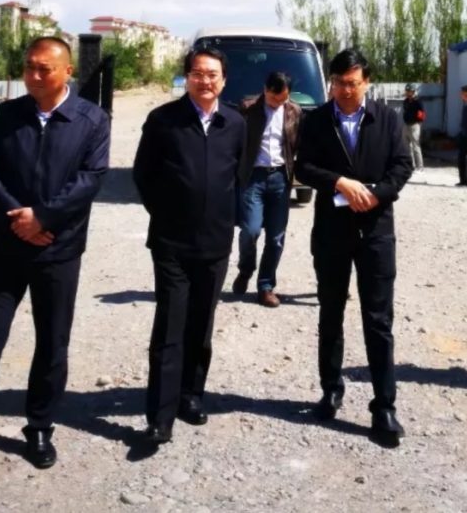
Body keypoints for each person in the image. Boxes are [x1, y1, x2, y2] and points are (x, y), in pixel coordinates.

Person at [0, 37, 110, 474]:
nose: (34, 76)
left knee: (52, 343)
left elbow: (91, 178)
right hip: (6, 247)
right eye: (29, 67)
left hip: (59, 250)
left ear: (67, 72)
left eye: (44, 69)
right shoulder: (8, 114)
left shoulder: (91, 119)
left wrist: (45, 218)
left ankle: (39, 428)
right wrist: (17, 217)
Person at [294, 48, 412, 447]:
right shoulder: (317, 120)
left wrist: (377, 194)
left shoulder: (387, 119)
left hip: (376, 232)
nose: (346, 90)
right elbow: (303, 166)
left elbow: (402, 166)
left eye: (353, 83)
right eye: (339, 82)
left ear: (367, 83)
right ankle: (331, 388)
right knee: (330, 311)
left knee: (378, 320)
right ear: (332, 82)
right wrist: (339, 182)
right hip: (331, 231)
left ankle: (384, 406)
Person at [133, 47, 245, 445]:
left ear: (224, 80)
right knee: (170, 326)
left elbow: (241, 175)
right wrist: (167, 214)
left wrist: (228, 219)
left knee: (201, 325)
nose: (205, 81)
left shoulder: (235, 123)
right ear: (187, 77)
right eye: (198, 74)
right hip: (171, 243)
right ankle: (159, 416)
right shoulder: (163, 120)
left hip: (215, 243)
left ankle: (191, 395)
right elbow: (143, 175)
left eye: (213, 74)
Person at [231, 71, 302, 307]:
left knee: (276, 238)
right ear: (265, 90)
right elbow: (235, 141)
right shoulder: (248, 108)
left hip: (280, 178)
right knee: (250, 231)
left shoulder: (294, 111)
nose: (278, 104)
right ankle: (245, 269)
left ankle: (265, 286)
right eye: (274, 98)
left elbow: (298, 144)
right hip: (254, 178)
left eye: (283, 99)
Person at [401, 83, 425, 171]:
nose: (407, 93)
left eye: (409, 91)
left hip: (414, 125)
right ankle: (411, 165)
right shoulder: (406, 101)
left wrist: (419, 123)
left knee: (416, 146)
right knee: (407, 147)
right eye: (407, 91)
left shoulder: (418, 101)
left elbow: (422, 113)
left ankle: (420, 167)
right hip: (406, 125)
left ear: (413, 91)